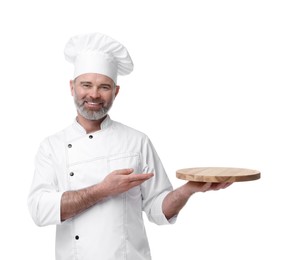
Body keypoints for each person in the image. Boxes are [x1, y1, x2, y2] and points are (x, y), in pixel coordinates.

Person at [27, 32, 231, 260]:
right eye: (86, 85)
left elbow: (157, 209)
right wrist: (104, 190)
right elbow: (39, 211)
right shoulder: (52, 147)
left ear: (116, 92)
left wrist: (189, 189)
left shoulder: (137, 141)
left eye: (104, 87)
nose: (94, 94)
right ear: (72, 87)